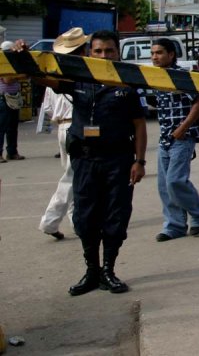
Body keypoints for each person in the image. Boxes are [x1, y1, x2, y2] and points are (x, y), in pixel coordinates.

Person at [15, 30, 147, 295]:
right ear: (89, 53)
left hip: (117, 160)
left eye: (109, 50)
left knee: (116, 215)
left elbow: (139, 125)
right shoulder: (78, 78)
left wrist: (140, 161)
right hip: (85, 159)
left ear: (118, 52)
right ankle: (92, 272)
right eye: (98, 51)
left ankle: (109, 271)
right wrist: (22, 54)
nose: (103, 56)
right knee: (85, 217)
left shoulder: (127, 83)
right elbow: (42, 78)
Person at [151, 38, 199, 242]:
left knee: (175, 181)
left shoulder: (180, 77)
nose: (155, 57)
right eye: (153, 53)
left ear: (171, 55)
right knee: (164, 185)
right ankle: (174, 225)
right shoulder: (154, 77)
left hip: (183, 137)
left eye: (159, 53)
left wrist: (183, 127)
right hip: (164, 138)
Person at [38, 27, 89, 240]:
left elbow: (48, 108)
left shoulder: (53, 75)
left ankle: (75, 219)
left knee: (74, 176)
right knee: (71, 177)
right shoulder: (80, 74)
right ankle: (50, 221)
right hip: (77, 127)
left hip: (61, 127)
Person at [0, 40, 25, 162]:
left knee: (12, 127)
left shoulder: (12, 62)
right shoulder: (4, 63)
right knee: (2, 127)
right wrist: (20, 76)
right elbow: (7, 80)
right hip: (4, 97)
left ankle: (12, 152)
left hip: (13, 97)